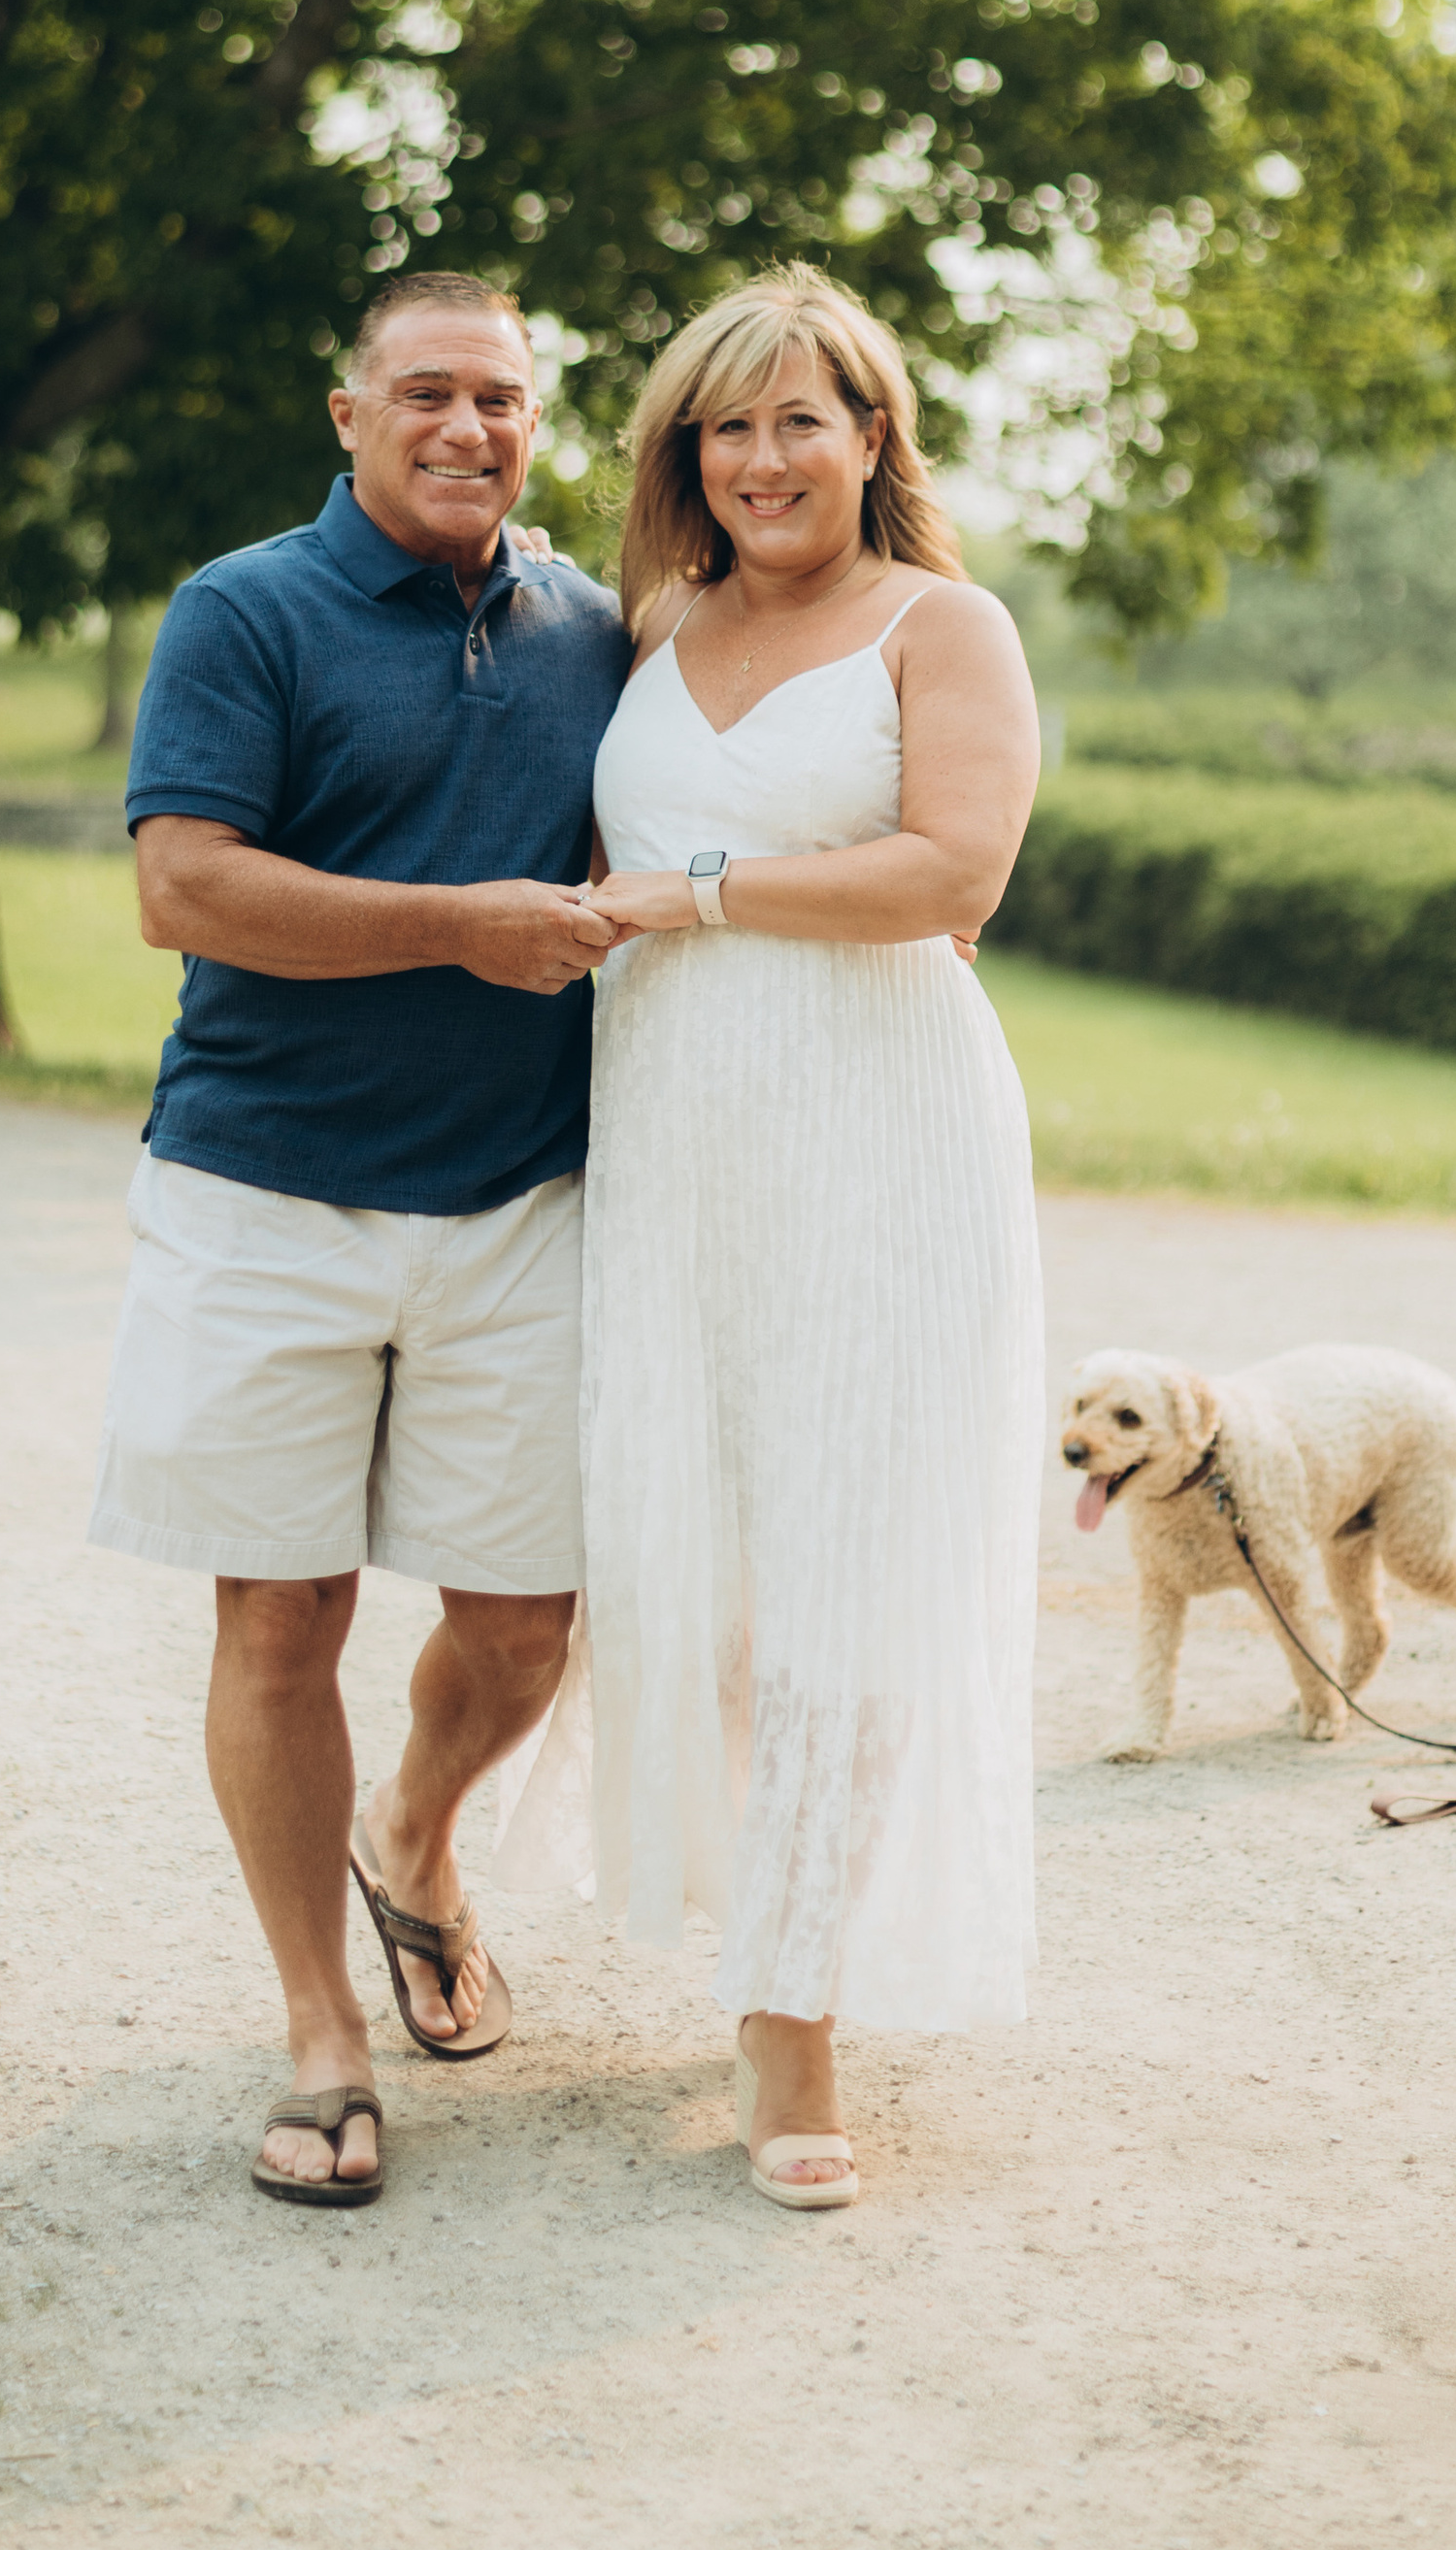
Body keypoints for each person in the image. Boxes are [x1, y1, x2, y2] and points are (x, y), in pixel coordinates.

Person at [86, 276, 630, 2204]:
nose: (466, 428)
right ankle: (319, 2030)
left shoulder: (596, 628)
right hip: (266, 1195)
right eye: (426, 394)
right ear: (346, 411)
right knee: (280, 1613)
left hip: (519, 1202)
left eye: (500, 400)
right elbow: (183, 887)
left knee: (523, 1622)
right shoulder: (243, 610)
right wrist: (460, 921)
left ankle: (413, 1833)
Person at [571, 264, 1045, 2207]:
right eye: (726, 425)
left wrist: (687, 891)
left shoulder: (945, 627)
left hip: (881, 1145)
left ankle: (791, 2020)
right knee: (701, 1568)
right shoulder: (649, 625)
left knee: (847, 1582)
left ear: (870, 437)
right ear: (689, 455)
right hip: (674, 1148)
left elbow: (951, 874)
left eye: (800, 419)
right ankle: (720, 1919)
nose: (763, 457)